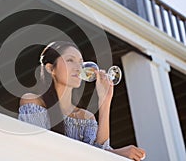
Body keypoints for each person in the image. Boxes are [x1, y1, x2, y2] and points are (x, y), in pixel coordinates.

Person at [18, 41, 146, 161]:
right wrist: (118, 154)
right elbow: (38, 150)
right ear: (51, 69)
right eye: (70, 60)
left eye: (80, 62)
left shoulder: (86, 117)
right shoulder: (33, 102)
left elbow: (99, 154)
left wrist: (104, 101)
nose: (78, 67)